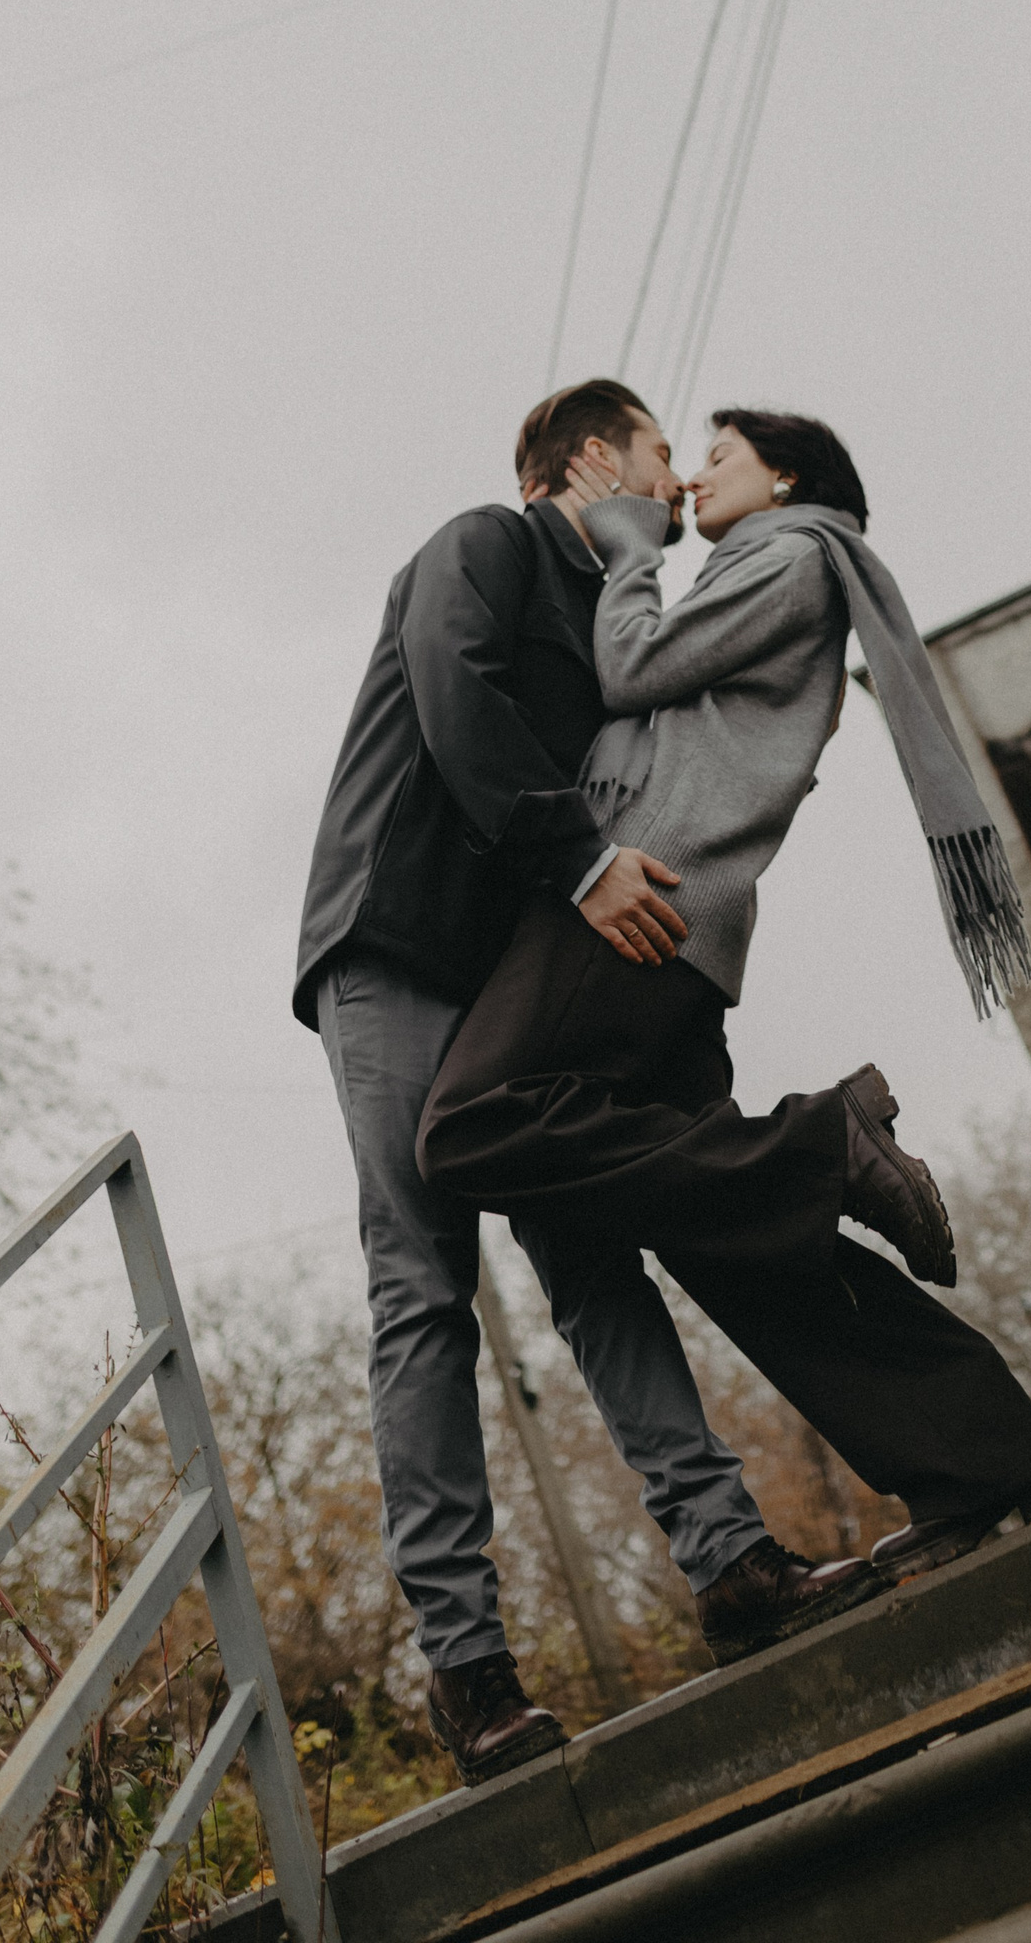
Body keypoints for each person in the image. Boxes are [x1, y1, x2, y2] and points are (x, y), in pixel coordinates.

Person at [297, 379, 875, 1792]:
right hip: (394, 951)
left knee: (597, 1266)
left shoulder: (619, 608)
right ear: (594, 459)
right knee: (425, 1288)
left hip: (511, 974)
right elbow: (456, 701)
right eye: (664, 453)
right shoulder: (485, 545)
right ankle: (470, 1670)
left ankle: (731, 1563)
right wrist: (584, 865)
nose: (678, 482)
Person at [419, 408, 1031, 1595]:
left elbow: (633, 666)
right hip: (681, 915)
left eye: (717, 456)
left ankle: (824, 1142)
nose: (690, 479)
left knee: (471, 1126)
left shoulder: (789, 556)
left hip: (644, 898)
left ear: (783, 475)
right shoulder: (779, 565)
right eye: (684, 459)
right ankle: (992, 1464)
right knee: (736, 1236)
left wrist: (632, 554)